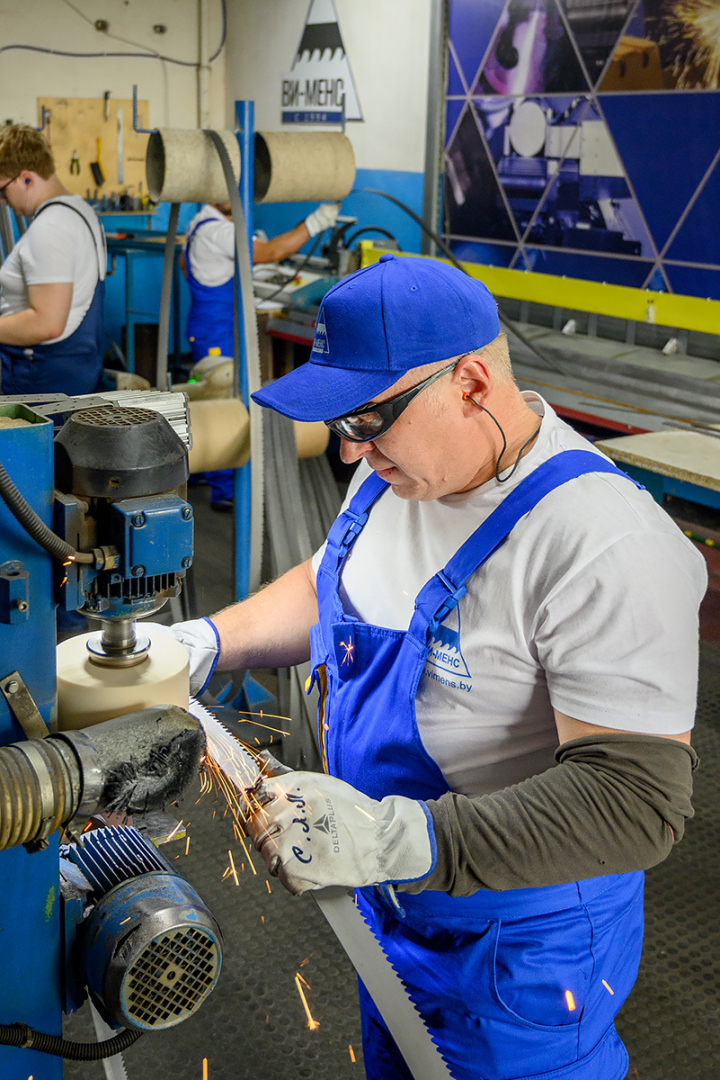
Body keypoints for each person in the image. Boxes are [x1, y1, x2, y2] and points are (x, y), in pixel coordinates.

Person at [170, 254, 706, 1080]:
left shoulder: (603, 542)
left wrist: (395, 836)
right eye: (343, 424)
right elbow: (331, 586)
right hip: (396, 906)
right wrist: (204, 642)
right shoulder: (399, 475)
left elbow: (637, 804)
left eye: (369, 420)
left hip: (518, 959)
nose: (352, 455)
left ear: (471, 384)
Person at [182, 199, 340, 508]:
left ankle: (199, 464)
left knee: (208, 393)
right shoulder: (220, 232)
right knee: (225, 395)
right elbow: (271, 253)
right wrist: (315, 222)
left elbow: (185, 266)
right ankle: (225, 489)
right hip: (216, 328)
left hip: (206, 323)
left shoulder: (198, 223)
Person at [0, 125, 106, 396]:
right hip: (72, 369)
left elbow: (47, 323)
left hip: (39, 375)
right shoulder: (80, 212)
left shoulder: (50, 228)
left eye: (2, 190)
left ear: (26, 178)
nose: (3, 200)